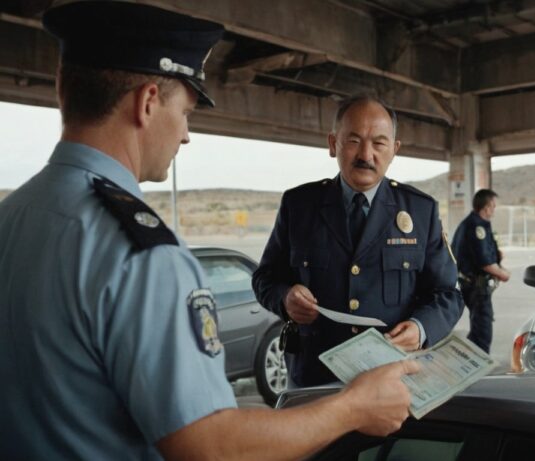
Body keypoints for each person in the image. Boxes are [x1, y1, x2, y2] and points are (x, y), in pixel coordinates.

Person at [0, 2, 419, 459]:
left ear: (64, 86)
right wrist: (352, 407)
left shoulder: (14, 215)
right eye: (187, 112)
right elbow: (210, 446)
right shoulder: (143, 256)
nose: (185, 136)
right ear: (147, 102)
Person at [252, 95, 462, 387]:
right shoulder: (299, 205)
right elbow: (265, 278)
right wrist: (285, 298)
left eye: (378, 143)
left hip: (391, 377)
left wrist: (421, 327)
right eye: (353, 141)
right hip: (316, 378)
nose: (366, 154)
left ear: (394, 150)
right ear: (332, 144)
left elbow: (448, 293)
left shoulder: (420, 210)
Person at [451, 189, 510, 353]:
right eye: (493, 206)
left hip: (471, 283)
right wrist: (503, 274)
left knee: (478, 327)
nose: (494, 210)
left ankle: (470, 359)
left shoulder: (474, 223)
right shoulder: (477, 226)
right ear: (487, 206)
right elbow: (484, 262)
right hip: (476, 286)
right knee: (482, 331)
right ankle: (478, 369)